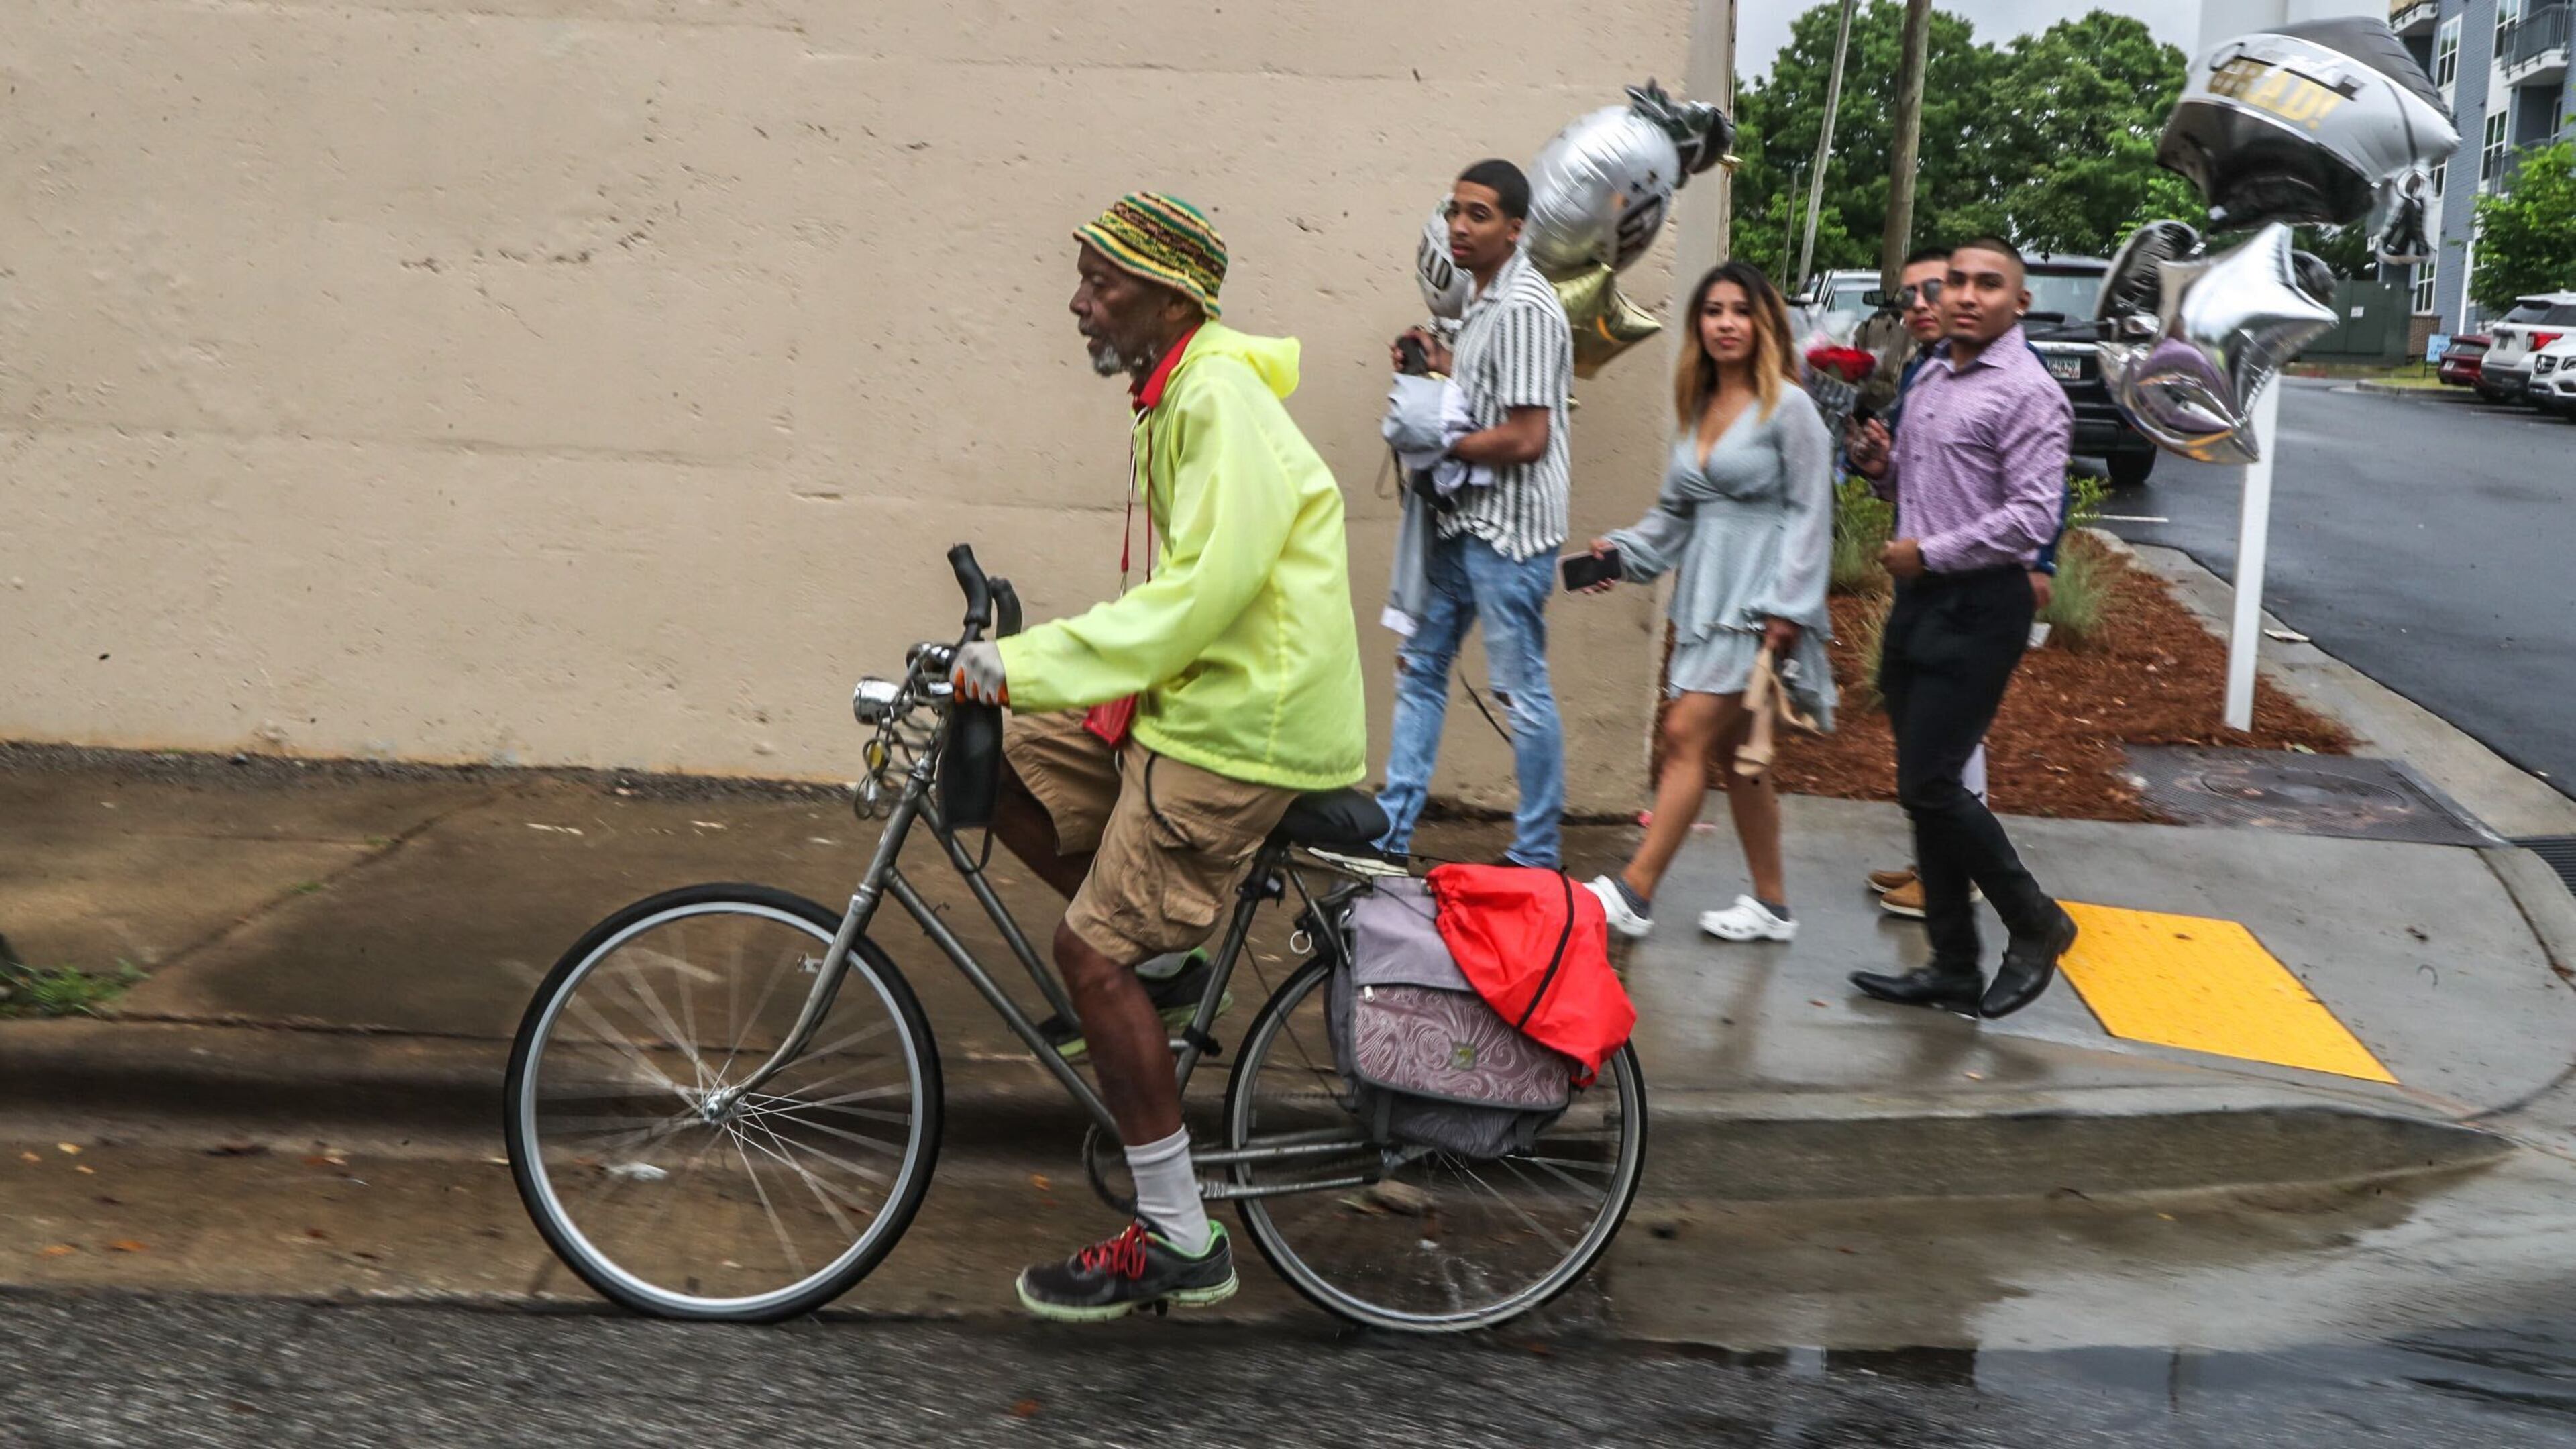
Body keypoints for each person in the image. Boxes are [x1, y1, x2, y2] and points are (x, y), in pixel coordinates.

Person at [948, 193, 1367, 1320]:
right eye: (1082, 274)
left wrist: (1027, 661)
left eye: (1103, 281)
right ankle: (1164, 972)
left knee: (1087, 957)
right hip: (1197, 699)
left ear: (1170, 299)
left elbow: (1199, 599)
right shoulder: (1173, 389)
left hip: (1245, 728)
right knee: (981, 756)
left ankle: (1183, 1237)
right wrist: (1014, 679)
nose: (1080, 299)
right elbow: (1180, 603)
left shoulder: (1217, 398)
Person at [1841, 238, 2079, 1020]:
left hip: (1981, 603)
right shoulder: (1932, 373)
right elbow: (1914, 483)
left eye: (1989, 285)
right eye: (1957, 283)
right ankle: (1951, 964)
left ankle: (2036, 922)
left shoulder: (2030, 391)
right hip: (1922, 597)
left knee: (1933, 782)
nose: (1966, 295)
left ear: (2020, 303)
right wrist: (1881, 465)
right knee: (1922, 788)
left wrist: (1929, 553)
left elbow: (2031, 519)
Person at [1572, 261, 1835, 944]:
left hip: (1760, 602)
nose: (1726, 323)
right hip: (1706, 598)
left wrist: (1789, 608)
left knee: (1686, 733)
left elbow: (1812, 511)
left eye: (1740, 311)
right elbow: (1674, 517)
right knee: (1735, 757)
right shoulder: (1697, 409)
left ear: (1764, 322)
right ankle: (1773, 906)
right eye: (1713, 311)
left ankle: (1635, 891)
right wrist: (1620, 556)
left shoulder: (1789, 406)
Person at [1373, 159, 1576, 869]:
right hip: (1463, 522)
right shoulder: (1484, 301)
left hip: (1510, 536)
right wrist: (1440, 364)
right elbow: (1491, 387)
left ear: (1515, 229)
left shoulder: (1524, 306)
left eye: (1479, 215)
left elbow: (1528, 436)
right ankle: (1389, 834)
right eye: (1455, 211)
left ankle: (1537, 853)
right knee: (1421, 669)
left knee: (1521, 692)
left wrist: (1440, 437)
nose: (1459, 226)